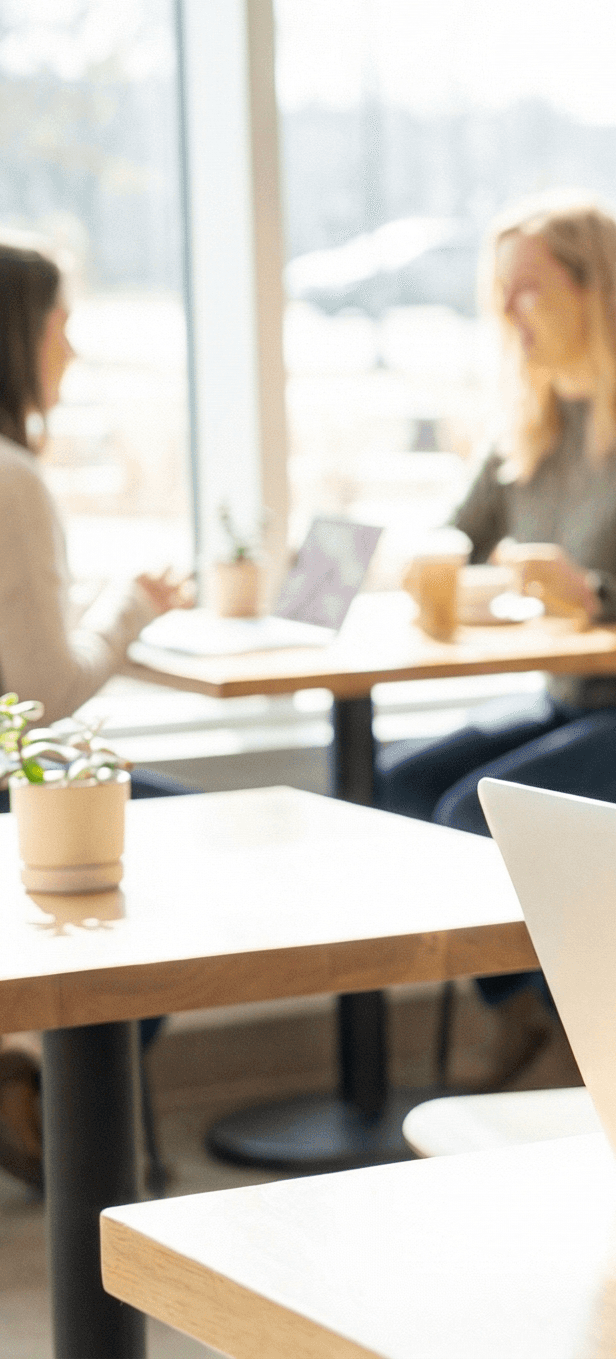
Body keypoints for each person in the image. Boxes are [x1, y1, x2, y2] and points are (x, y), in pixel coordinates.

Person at [378, 197, 616, 1083]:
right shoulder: (530, 433)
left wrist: (594, 593)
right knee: (388, 782)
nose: (508, 314)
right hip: (571, 701)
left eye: (528, 292)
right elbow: (452, 541)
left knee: (468, 811)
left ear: (598, 293)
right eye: (500, 295)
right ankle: (525, 1006)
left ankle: (566, 1023)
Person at [0, 239, 193, 1190]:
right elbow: (39, 702)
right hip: (11, 801)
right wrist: (131, 610)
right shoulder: (13, 480)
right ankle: (45, 1079)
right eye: (60, 326)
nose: (69, 352)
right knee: (197, 837)